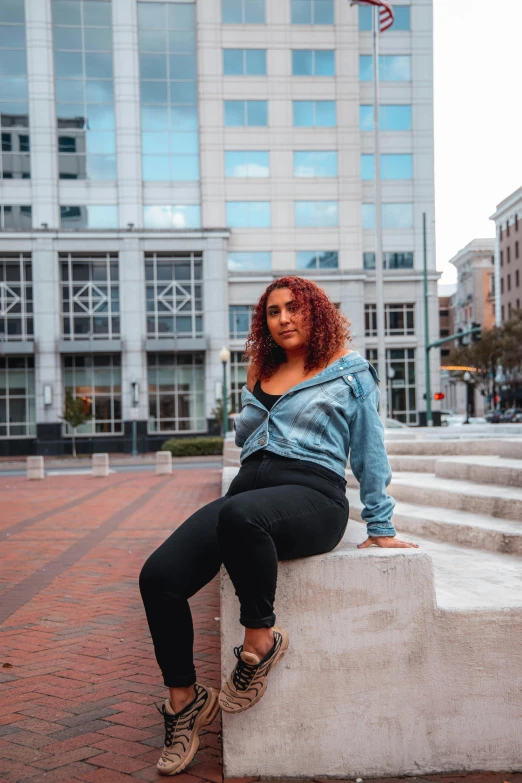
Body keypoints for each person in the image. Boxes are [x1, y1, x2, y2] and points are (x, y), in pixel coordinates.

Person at [139, 275, 419, 776]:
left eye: (294, 308)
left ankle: (259, 643)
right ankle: (184, 701)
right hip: (247, 496)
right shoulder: (261, 370)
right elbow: (246, 438)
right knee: (158, 577)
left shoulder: (348, 370)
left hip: (313, 497)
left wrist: (380, 523)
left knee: (241, 516)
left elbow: (370, 450)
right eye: (273, 312)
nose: (283, 318)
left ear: (316, 312)